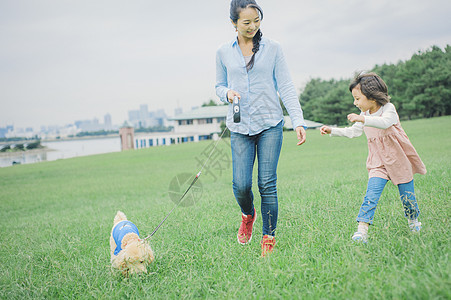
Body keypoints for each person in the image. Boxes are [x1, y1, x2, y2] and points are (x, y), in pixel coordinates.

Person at [215, 0, 307, 256]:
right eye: (246, 22)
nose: (253, 26)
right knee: (241, 185)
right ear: (234, 23)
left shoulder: (273, 48)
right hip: (239, 127)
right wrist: (227, 93)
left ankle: (269, 236)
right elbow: (218, 86)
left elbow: (286, 85)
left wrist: (297, 120)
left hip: (270, 124)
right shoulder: (223, 52)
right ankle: (248, 215)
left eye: (257, 21)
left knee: (267, 183)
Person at [320, 72, 426, 242]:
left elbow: (384, 123)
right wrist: (332, 130)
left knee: (408, 198)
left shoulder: (388, 109)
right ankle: (362, 231)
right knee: (371, 196)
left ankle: (413, 222)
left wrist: (362, 118)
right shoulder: (365, 115)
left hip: (398, 160)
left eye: (357, 98)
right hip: (378, 162)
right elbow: (353, 132)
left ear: (373, 97)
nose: (355, 103)